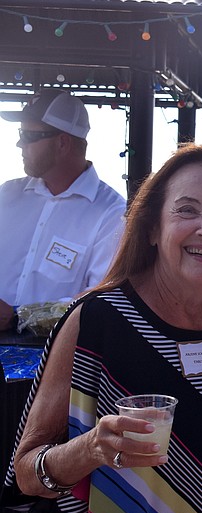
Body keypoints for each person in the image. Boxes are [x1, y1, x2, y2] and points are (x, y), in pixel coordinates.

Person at [3, 144, 202, 513]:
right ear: (151, 228)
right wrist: (92, 447)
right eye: (187, 210)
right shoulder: (97, 321)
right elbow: (26, 473)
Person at [0, 88, 126, 332]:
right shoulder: (6, 195)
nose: (19, 143)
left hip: (54, 356)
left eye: (27, 135)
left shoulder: (110, 214)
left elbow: (101, 301)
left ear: (62, 143)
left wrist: (18, 316)